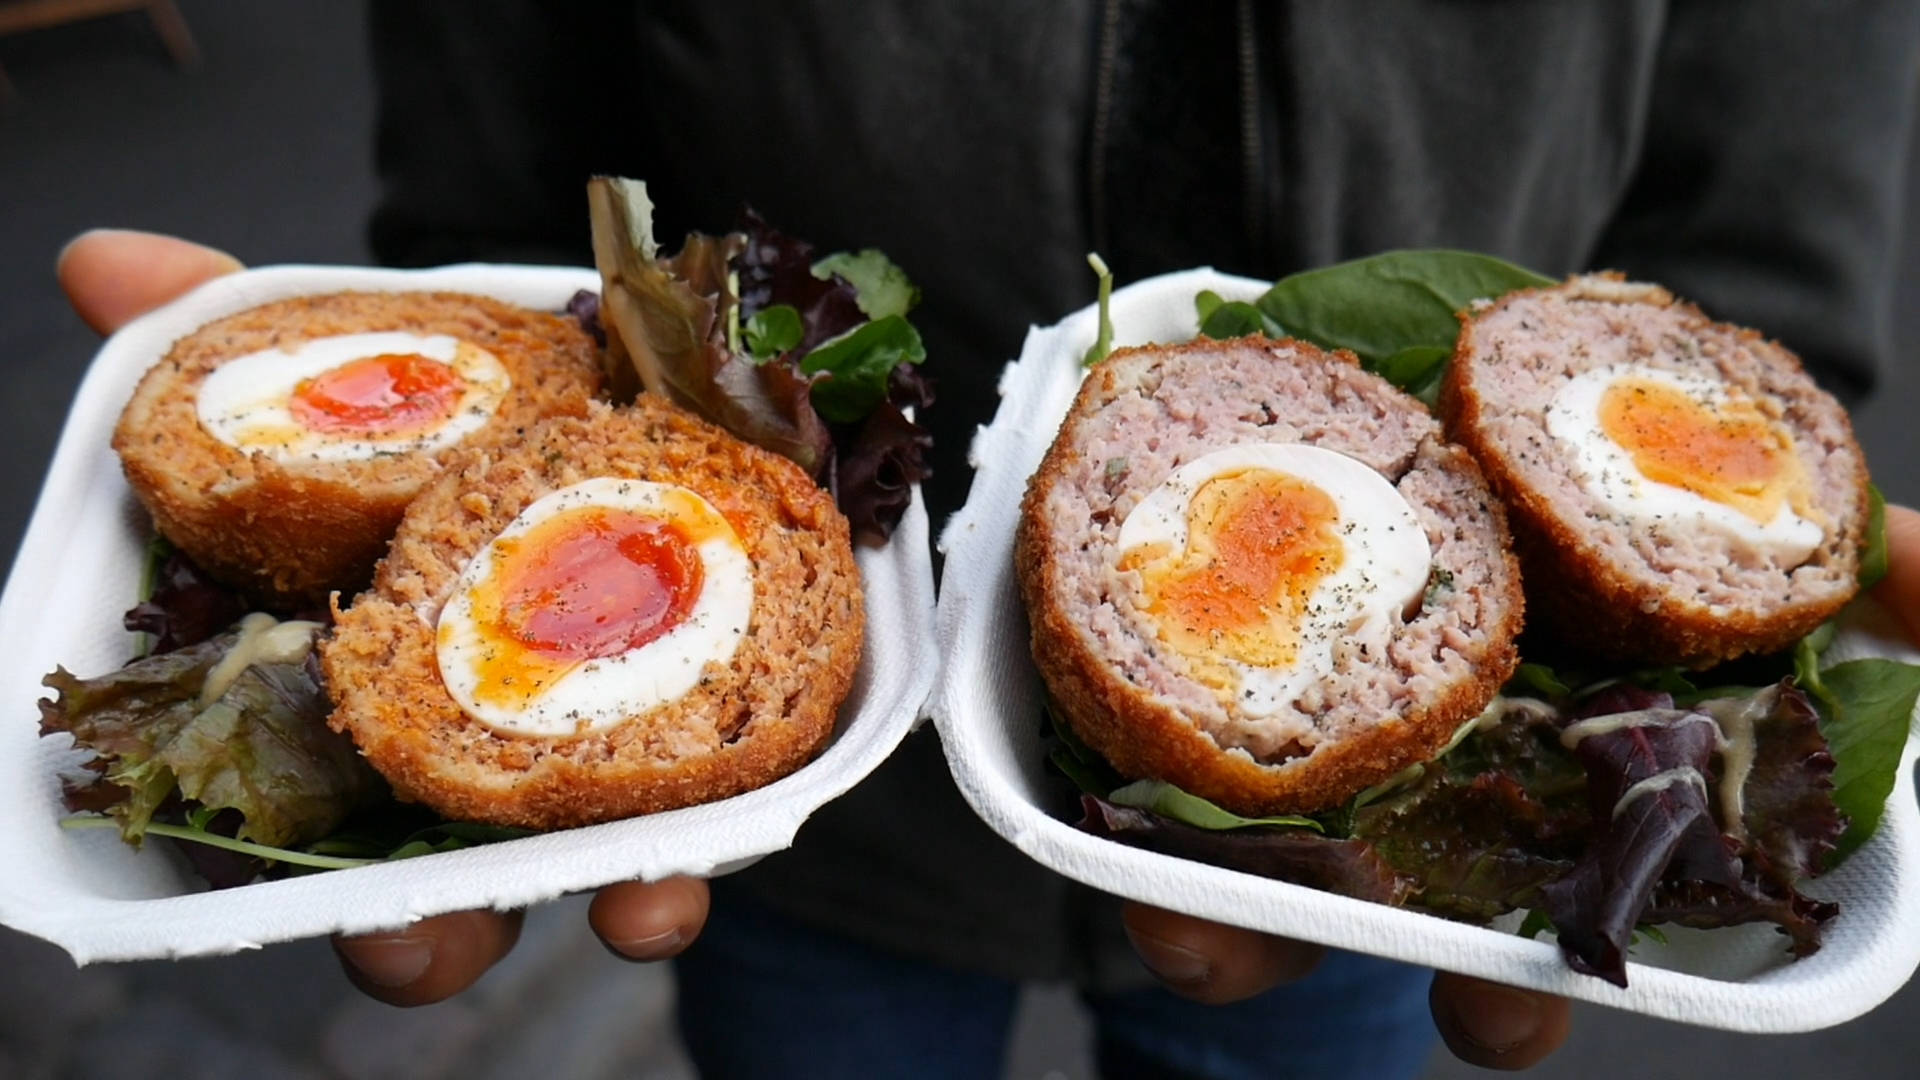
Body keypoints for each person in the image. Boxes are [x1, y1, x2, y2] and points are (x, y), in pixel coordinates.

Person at [56, 1, 1920, 1075]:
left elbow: (1773, 201)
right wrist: (469, 320)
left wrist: (1728, 499)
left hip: (1347, 883)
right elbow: (497, 106)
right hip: (820, 832)